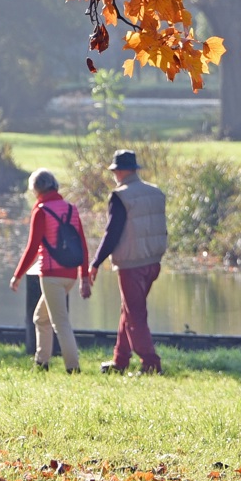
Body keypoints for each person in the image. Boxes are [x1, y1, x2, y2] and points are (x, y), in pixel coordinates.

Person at [87, 150, 168, 375]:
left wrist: (95, 263)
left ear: (121, 171)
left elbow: (112, 233)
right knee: (129, 310)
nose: (114, 175)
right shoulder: (156, 192)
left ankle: (151, 364)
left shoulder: (121, 196)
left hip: (131, 263)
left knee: (135, 315)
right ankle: (120, 361)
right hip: (153, 261)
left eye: (114, 171)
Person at [9, 169, 90, 373]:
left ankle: (73, 368)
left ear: (36, 190)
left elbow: (32, 248)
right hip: (70, 274)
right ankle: (41, 362)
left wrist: (17, 275)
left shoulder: (42, 211)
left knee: (60, 322)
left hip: (52, 274)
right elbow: (82, 245)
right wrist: (84, 276)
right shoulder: (71, 209)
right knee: (41, 318)